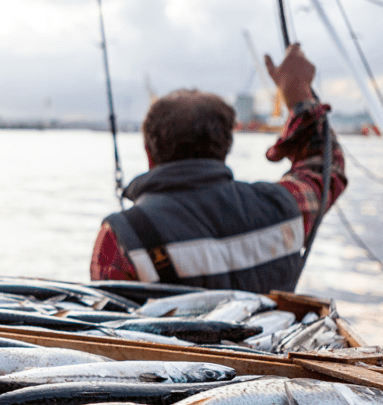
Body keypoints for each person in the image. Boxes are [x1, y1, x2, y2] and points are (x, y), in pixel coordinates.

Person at [90, 44, 347, 294]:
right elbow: (325, 169)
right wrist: (299, 95)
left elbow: (111, 329)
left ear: (149, 152)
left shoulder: (120, 238)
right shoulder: (283, 207)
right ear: (225, 147)